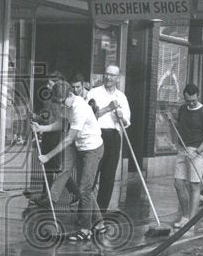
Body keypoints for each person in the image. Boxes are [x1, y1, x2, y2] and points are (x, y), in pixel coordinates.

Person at [32, 80, 104, 241]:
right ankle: (99, 224)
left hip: (92, 149)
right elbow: (62, 123)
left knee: (85, 189)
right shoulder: (68, 105)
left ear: (70, 94)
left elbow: (68, 139)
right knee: (85, 188)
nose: (62, 105)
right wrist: (41, 128)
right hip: (81, 147)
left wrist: (47, 156)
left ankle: (85, 230)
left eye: (63, 101)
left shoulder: (79, 108)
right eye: (59, 103)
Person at [88, 64, 131, 215]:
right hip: (96, 135)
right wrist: (107, 108)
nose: (109, 77)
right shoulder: (94, 93)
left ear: (118, 78)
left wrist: (122, 118)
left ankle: (100, 214)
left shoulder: (122, 97)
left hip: (113, 137)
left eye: (112, 75)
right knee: (91, 176)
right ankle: (85, 214)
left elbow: (127, 122)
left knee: (108, 176)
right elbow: (88, 116)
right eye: (107, 74)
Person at [172, 83, 203, 228]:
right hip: (182, 150)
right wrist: (172, 121)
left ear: (198, 96)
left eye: (193, 101)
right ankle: (184, 217)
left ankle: (191, 220)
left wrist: (196, 152)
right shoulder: (183, 109)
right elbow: (180, 125)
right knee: (178, 184)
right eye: (188, 101)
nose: (190, 103)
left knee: (194, 185)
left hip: (198, 151)